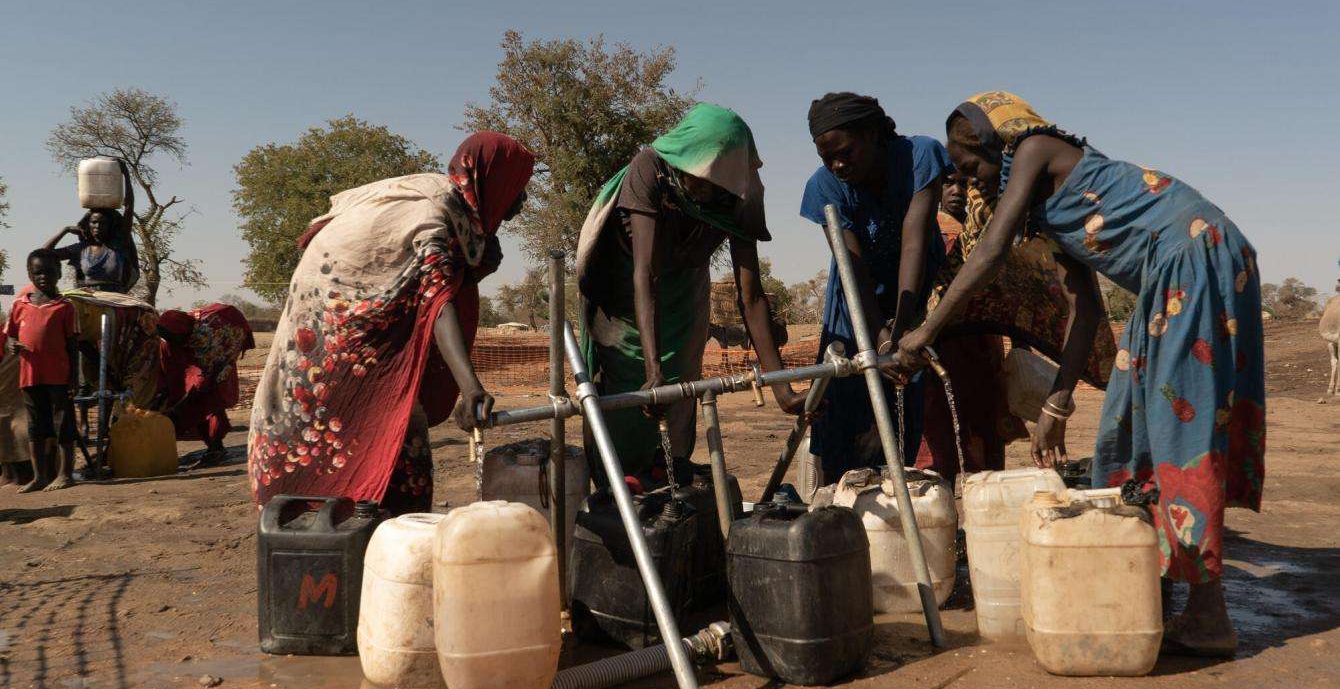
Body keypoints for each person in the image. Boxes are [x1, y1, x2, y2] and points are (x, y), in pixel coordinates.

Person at [895, 91, 1264, 655]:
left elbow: (989, 251)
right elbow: (1084, 309)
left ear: (997, 140)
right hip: (1162, 284)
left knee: (1178, 433)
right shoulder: (1043, 210)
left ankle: (1209, 614)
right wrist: (1055, 406)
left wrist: (925, 331)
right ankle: (1153, 582)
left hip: (1190, 258)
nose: (968, 180)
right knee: (1127, 426)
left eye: (971, 164)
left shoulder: (1038, 149)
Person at [249, 133, 534, 515]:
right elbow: (436, 299)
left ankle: (364, 526)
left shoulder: (450, 212)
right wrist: (470, 388)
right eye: (518, 189)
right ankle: (361, 529)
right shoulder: (432, 214)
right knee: (384, 428)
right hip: (338, 334)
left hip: (355, 335)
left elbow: (431, 289)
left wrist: (475, 270)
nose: (522, 202)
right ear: (494, 181)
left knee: (380, 432)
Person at [576, 103, 802, 480]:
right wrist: (652, 371)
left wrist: (781, 387)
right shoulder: (649, 169)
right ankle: (614, 484)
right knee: (628, 382)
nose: (707, 191)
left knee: (682, 378)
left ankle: (668, 471)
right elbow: (644, 273)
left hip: (684, 292)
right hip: (625, 293)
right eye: (700, 177)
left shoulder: (741, 195)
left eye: (718, 185)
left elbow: (752, 296)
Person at [915, 173, 1118, 483]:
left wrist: (1021, 346)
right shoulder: (929, 238)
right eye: (947, 182)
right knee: (939, 450)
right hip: (940, 356)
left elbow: (1012, 292)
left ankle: (984, 514)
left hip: (985, 353)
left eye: (964, 182)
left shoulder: (993, 231)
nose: (956, 191)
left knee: (984, 446)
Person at [800, 92, 947, 483]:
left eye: (845, 152)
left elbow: (914, 241)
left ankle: (896, 526)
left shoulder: (919, 156)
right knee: (842, 429)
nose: (837, 165)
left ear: (872, 133)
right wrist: (880, 340)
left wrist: (899, 335)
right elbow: (854, 270)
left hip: (909, 304)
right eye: (827, 157)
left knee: (899, 426)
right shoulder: (825, 185)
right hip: (853, 311)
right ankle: (842, 523)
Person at [4, 251, 79, 491]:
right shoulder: (19, 305)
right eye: (38, 272)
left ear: (58, 273)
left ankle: (65, 474)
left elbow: (73, 346)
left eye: (49, 271)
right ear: (30, 274)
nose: (44, 277)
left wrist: (74, 378)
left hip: (58, 376)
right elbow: (10, 336)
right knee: (36, 427)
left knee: (63, 425)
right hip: (29, 375)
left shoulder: (65, 307)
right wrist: (11, 344)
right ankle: (39, 477)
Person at [155, 305, 255, 469]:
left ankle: (216, 447)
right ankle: (214, 447)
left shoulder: (209, 339)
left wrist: (179, 407)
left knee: (211, 401)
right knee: (195, 398)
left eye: (173, 339)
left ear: (184, 335)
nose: (170, 342)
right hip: (204, 357)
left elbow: (207, 378)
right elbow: (171, 370)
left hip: (223, 348)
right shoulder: (171, 338)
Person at [43, 159, 140, 293]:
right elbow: (43, 255)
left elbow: (129, 207)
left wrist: (126, 175)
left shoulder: (118, 245)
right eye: (94, 222)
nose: (97, 226)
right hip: (86, 301)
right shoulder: (80, 249)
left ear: (110, 226)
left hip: (115, 301)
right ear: (87, 225)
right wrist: (65, 230)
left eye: (103, 223)